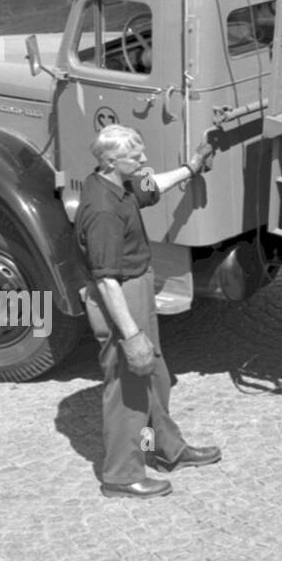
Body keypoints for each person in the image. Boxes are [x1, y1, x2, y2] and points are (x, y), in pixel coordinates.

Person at [76, 124, 220, 499]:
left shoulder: (115, 184)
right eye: (135, 156)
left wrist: (191, 168)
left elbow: (150, 185)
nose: (143, 161)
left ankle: (165, 448)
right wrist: (131, 335)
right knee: (128, 385)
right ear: (111, 160)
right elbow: (106, 281)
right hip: (120, 297)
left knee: (154, 375)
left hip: (135, 288)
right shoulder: (103, 210)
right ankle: (121, 476)